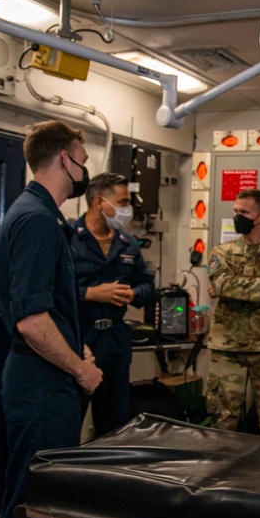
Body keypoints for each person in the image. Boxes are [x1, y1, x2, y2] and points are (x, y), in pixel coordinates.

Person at [0, 120, 103, 518]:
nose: (86, 168)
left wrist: (77, 348)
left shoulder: (41, 213)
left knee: (41, 507)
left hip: (48, 378)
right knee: (32, 510)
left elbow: (49, 309)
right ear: (65, 159)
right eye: (83, 156)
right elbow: (31, 321)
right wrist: (80, 369)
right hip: (41, 385)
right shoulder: (35, 218)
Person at [205, 189, 260, 440]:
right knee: (222, 418)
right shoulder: (220, 252)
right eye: (235, 211)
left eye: (244, 212)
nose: (237, 216)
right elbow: (221, 283)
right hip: (227, 348)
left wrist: (232, 287)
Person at [70, 172, 154, 436]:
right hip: (79, 338)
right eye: (123, 202)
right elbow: (51, 290)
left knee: (114, 423)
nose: (127, 209)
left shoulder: (127, 243)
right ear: (98, 202)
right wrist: (91, 294)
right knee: (70, 417)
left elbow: (147, 285)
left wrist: (133, 294)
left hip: (115, 340)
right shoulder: (68, 237)